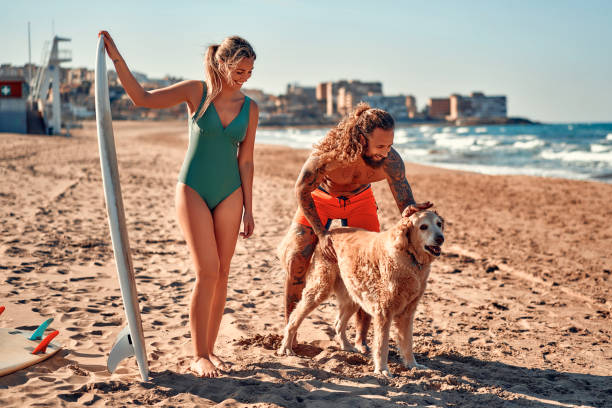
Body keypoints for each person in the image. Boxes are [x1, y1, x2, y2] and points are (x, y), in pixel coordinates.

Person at [99, 31, 259, 377]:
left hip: (231, 192)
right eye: (239, 71)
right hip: (193, 190)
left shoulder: (250, 108)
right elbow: (142, 98)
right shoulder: (196, 92)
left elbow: (246, 161)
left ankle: (211, 351)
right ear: (221, 63)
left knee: (223, 274)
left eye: (249, 73)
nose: (243, 78)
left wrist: (249, 207)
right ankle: (198, 354)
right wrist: (116, 59)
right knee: (207, 271)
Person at [282, 102, 430, 352]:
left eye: (390, 145)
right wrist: (322, 234)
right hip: (321, 199)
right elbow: (301, 189)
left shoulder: (390, 161)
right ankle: (290, 329)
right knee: (298, 259)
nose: (386, 152)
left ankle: (361, 339)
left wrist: (409, 209)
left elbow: (404, 200)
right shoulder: (330, 155)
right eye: (380, 146)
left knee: (369, 266)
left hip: (360, 201)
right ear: (361, 139)